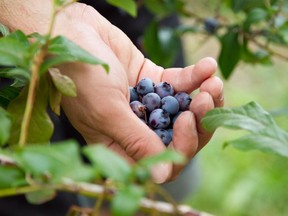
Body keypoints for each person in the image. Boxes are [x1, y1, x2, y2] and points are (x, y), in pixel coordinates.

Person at [0, 0, 224, 215]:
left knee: (150, 190)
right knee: (37, 191)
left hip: (130, 13)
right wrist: (35, 18)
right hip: (16, 38)